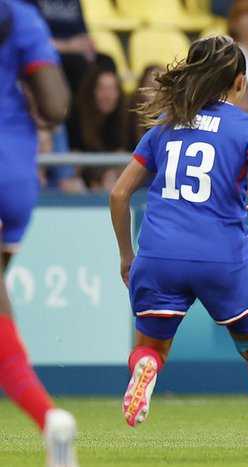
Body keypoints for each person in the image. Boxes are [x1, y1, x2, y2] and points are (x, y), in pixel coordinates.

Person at [109, 35, 248, 457]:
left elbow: (120, 194)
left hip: (160, 255)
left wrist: (127, 255)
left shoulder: (164, 128)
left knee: (149, 350)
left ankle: (146, 370)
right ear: (239, 83)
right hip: (221, 258)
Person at [0, 1, 76, 466]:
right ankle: (49, 422)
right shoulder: (20, 15)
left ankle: (49, 418)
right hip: (13, 172)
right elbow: (55, 107)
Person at [127, 64, 163, 150]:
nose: (156, 92)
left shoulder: (174, 119)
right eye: (151, 86)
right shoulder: (128, 117)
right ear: (141, 88)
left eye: (161, 87)